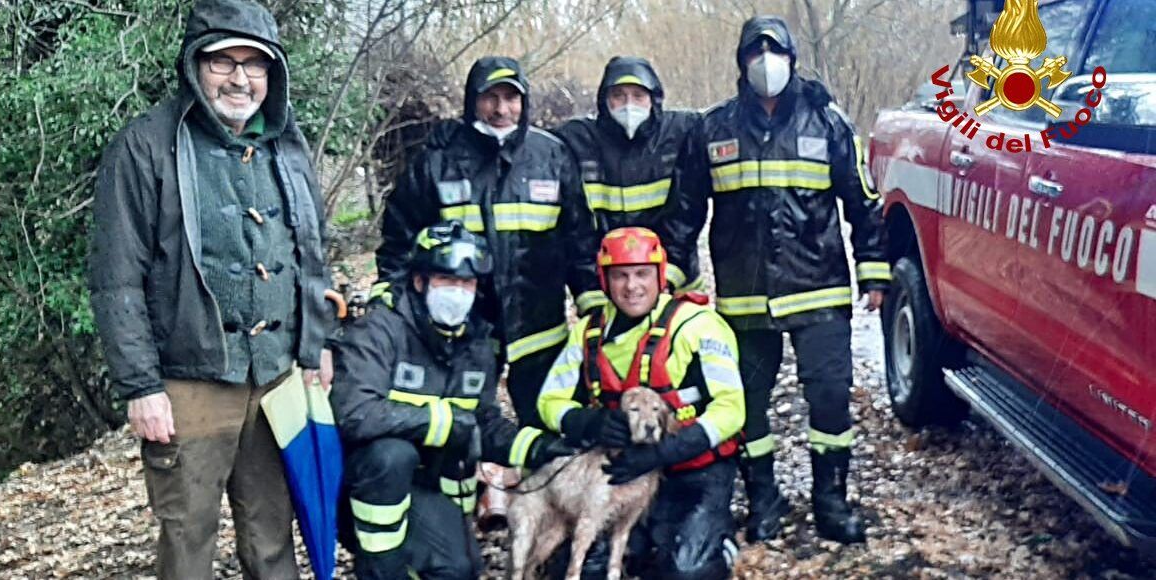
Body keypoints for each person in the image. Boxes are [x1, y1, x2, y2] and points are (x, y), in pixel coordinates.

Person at [88, 0, 335, 576]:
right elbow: (116, 277)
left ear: (272, 73)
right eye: (224, 61)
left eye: (255, 64)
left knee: (273, 535)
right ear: (195, 64)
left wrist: (315, 346)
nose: (240, 78)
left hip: (276, 380)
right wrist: (141, 386)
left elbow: (311, 251)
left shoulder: (286, 144)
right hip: (188, 382)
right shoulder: (145, 145)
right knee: (188, 539)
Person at [663, 16, 889, 545]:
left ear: (792, 58)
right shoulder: (713, 129)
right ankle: (763, 500)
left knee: (830, 398)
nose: (766, 62)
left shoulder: (827, 122)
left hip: (819, 289)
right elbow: (684, 213)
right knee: (744, 403)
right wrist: (670, 280)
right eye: (755, 51)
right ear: (741, 62)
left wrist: (874, 270)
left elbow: (863, 203)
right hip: (744, 297)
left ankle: (830, 501)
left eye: (775, 51)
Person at [369, 56, 600, 526]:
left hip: (539, 326)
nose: (500, 109)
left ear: (524, 102)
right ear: (472, 101)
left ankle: (551, 519)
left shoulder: (551, 156)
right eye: (490, 98)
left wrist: (592, 304)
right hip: (463, 330)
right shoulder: (438, 160)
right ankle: (456, 521)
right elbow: (399, 241)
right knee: (461, 422)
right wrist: (399, 309)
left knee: (545, 424)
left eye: (511, 98)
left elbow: (580, 241)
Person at [330, 221, 574, 579]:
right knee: (392, 455)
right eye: (447, 280)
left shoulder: (476, 344)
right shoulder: (379, 331)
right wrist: (441, 420)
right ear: (420, 282)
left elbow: (483, 422)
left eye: (467, 283)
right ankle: (380, 570)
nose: (457, 293)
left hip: (429, 485)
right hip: (365, 491)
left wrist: (538, 447)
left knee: (459, 570)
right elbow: (354, 412)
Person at [537, 227, 745, 579]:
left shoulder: (699, 325)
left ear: (659, 276)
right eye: (620, 276)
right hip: (623, 471)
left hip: (692, 469)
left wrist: (665, 451)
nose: (632, 286)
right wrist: (588, 422)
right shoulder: (588, 332)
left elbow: (732, 409)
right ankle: (643, 543)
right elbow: (549, 401)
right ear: (605, 281)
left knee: (686, 571)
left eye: (642, 274)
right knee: (582, 570)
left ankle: (719, 541)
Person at [551, 56, 704, 299]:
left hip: (675, 278)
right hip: (610, 283)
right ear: (604, 100)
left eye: (638, 96)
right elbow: (577, 228)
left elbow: (687, 213)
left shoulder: (681, 131)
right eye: (618, 96)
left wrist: (665, 276)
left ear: (654, 99)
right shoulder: (578, 140)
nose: (628, 105)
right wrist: (591, 289)